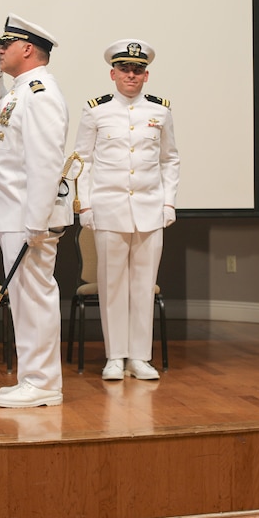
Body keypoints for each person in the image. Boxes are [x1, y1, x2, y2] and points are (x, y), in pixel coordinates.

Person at [72, 39, 179, 381]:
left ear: (146, 76)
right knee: (112, 284)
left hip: (149, 209)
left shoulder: (160, 111)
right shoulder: (96, 110)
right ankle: (115, 356)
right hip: (108, 208)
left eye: (137, 70)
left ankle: (140, 357)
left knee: (144, 285)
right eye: (125, 69)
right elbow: (82, 161)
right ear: (112, 73)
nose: (131, 75)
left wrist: (168, 202)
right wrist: (85, 205)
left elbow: (169, 159)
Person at [0, 14, 73, 408]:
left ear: (28, 49)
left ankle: (44, 382)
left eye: (6, 45)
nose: (0, 50)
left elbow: (46, 164)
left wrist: (37, 223)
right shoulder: (19, 92)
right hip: (14, 215)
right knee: (24, 300)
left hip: (28, 219)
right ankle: (33, 377)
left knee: (34, 298)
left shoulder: (40, 94)